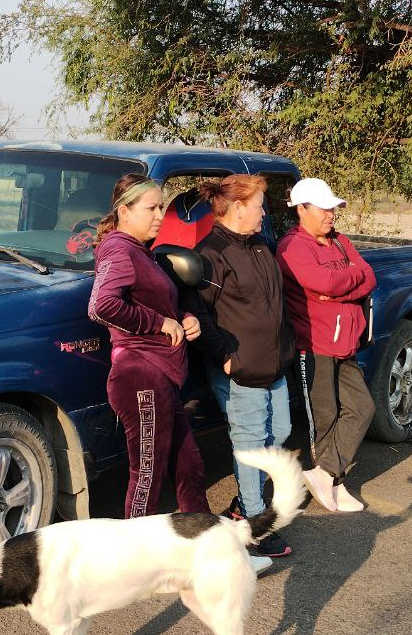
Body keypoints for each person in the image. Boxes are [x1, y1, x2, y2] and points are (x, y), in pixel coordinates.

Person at [183, 173, 296, 558]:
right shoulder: (211, 254)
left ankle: (240, 506)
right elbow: (198, 312)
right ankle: (253, 524)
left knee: (279, 431)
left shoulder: (260, 245)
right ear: (238, 208)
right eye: (260, 204)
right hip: (240, 368)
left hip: (273, 362)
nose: (264, 211)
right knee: (250, 443)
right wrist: (224, 357)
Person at [88, 173, 212, 518]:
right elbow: (101, 306)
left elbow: (158, 305)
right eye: (152, 208)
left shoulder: (142, 252)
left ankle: (204, 543)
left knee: (188, 464)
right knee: (147, 476)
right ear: (124, 212)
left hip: (162, 377)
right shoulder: (118, 248)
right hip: (139, 374)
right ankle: (133, 565)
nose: (161, 215)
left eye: (162, 206)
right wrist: (160, 323)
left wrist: (185, 317)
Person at [276, 178, 377, 513]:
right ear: (301, 209)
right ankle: (333, 480)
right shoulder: (293, 247)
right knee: (325, 415)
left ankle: (328, 474)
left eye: (333, 207)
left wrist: (339, 288)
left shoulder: (341, 241)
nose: (332, 213)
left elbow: (368, 276)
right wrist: (347, 283)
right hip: (314, 344)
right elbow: (323, 282)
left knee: (362, 408)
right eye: (325, 207)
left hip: (345, 343)